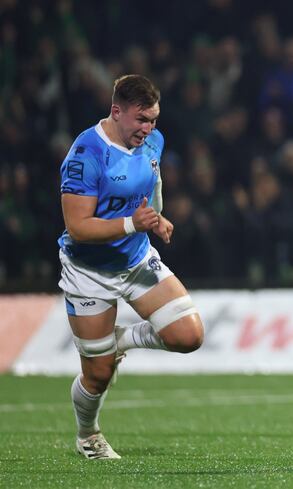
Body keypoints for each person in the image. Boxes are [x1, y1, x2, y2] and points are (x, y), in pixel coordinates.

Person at [58, 75, 204, 460]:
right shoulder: (86, 155)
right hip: (89, 271)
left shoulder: (153, 141)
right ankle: (88, 435)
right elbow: (78, 227)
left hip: (136, 257)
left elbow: (152, 184)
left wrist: (157, 217)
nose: (149, 129)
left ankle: (122, 339)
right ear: (116, 111)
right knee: (98, 375)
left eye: (153, 119)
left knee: (189, 336)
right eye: (141, 120)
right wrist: (131, 224)